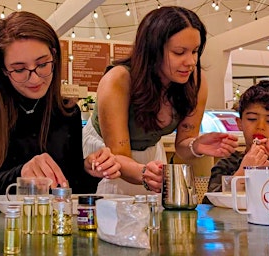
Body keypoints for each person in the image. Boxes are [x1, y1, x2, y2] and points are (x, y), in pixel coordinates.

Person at [0, 11, 120, 204]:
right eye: (19, 69)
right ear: (2, 69)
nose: (34, 78)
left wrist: (89, 170)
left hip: (46, 229)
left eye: (42, 64)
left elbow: (69, 192)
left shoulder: (67, 112)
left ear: (54, 56)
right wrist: (20, 176)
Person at [83, 6, 239, 195]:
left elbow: (183, 145)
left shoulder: (196, 81)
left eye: (195, 51)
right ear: (152, 51)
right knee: (113, 214)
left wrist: (196, 146)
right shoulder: (119, 80)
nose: (190, 62)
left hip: (151, 154)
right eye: (179, 52)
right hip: (104, 155)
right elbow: (118, 156)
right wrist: (144, 173)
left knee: (155, 216)